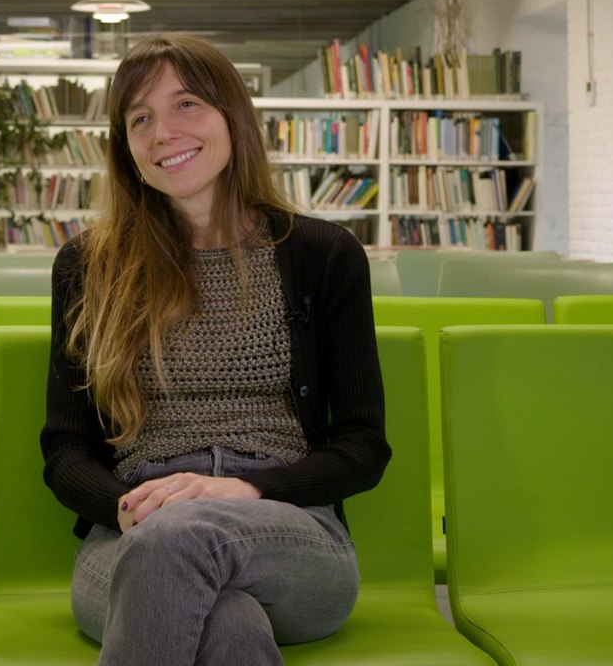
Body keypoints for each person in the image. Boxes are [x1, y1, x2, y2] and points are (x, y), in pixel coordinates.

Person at [41, 33, 391, 666]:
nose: (161, 132)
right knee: (225, 624)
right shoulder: (87, 265)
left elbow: (364, 446)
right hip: (131, 535)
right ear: (126, 148)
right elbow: (64, 449)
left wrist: (249, 492)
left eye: (186, 105)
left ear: (233, 116)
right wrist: (124, 508)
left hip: (289, 530)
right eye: (139, 118)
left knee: (186, 539)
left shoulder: (323, 255)